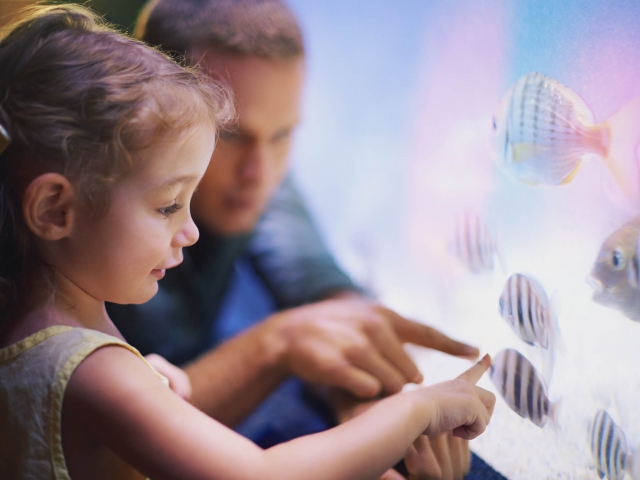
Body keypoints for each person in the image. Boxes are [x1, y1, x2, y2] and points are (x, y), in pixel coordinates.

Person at [0, 5, 496, 479]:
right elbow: (262, 473)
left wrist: (159, 385)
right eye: (169, 205)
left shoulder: (32, 326)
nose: (189, 230)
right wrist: (416, 410)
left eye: (283, 136)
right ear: (54, 210)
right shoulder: (96, 372)